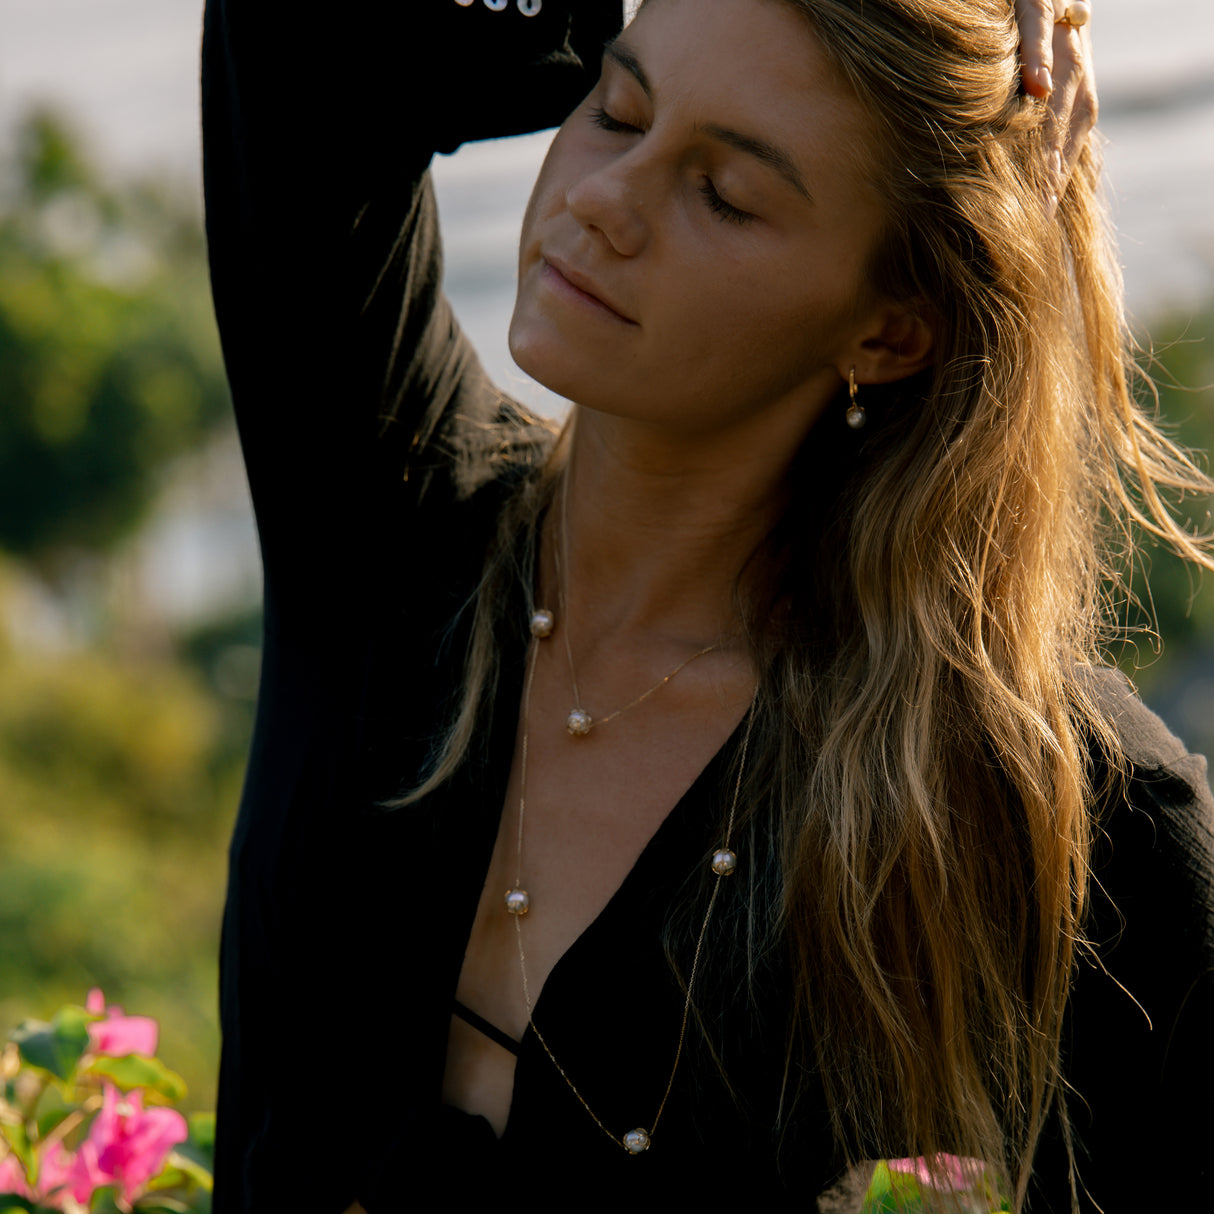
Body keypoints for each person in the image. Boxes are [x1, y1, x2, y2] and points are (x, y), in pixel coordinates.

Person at [201, 0, 1213, 1210]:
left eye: (723, 194)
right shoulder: (386, 509)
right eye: (614, 110)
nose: (602, 200)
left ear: (890, 330)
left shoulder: (1039, 809)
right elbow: (298, 47)